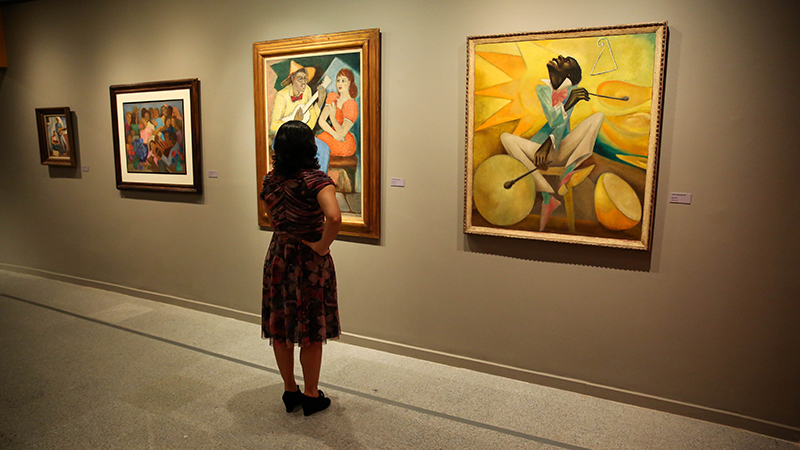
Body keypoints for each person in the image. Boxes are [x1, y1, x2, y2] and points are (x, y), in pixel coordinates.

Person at [260, 120, 342, 416]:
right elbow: (334, 217)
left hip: (279, 256)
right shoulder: (316, 180)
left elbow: (271, 216)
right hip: (309, 261)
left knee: (281, 327)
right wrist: (321, 246)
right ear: (309, 146)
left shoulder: (271, 181)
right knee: (311, 329)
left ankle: (289, 389)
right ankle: (311, 394)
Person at [500, 55, 605, 231]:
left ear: (569, 75)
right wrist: (568, 104)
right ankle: (547, 193)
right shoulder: (542, 89)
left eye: (567, 61)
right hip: (540, 149)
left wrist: (549, 143)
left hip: (561, 150)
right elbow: (553, 119)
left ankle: (570, 171)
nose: (560, 57)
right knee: (505, 137)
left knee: (598, 117)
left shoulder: (573, 90)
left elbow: (561, 124)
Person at [269, 61, 332, 173]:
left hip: (301, 136)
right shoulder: (282, 96)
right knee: (297, 154)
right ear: (292, 79)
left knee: (324, 149)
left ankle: (319, 180)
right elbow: (273, 126)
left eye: (305, 79)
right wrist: (294, 122)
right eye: (300, 79)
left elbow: (309, 124)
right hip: (284, 137)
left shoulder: (307, 90)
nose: (304, 82)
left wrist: (319, 103)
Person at [317, 68, 359, 157]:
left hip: (344, 142)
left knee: (317, 147)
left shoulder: (351, 104)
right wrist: (334, 134)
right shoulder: (333, 97)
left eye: (343, 81)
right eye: (338, 81)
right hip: (332, 134)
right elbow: (321, 120)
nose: (340, 84)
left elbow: (342, 133)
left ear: (350, 83)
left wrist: (332, 118)